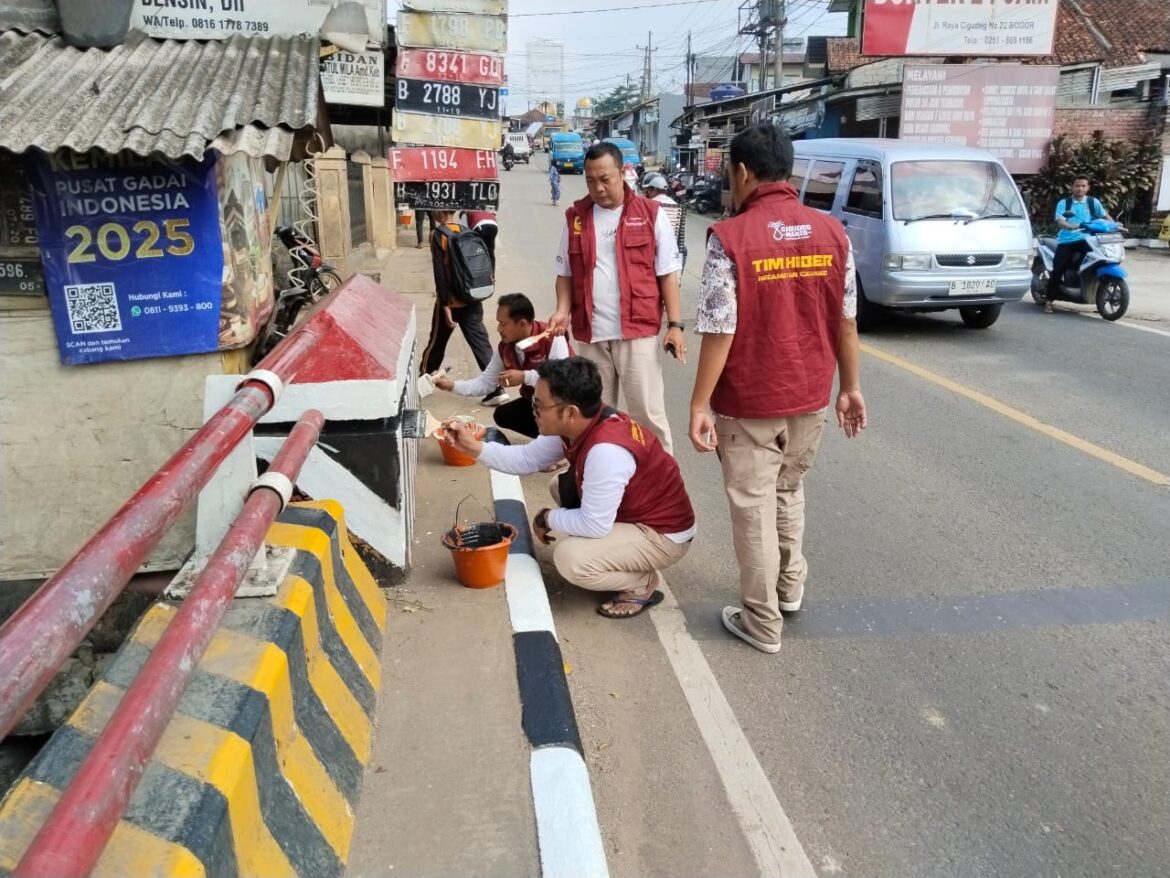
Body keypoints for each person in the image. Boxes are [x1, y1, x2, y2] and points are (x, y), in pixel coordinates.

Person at [688, 123, 868, 655]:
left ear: (743, 172)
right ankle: (789, 590)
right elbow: (847, 321)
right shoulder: (833, 233)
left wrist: (700, 403)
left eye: (729, 173)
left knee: (753, 506)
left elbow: (720, 328)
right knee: (788, 491)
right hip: (811, 396)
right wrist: (850, 388)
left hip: (750, 401)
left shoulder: (730, 238)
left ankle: (762, 621)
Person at [443, 357, 695, 618]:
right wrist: (473, 447)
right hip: (638, 516)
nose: (534, 411)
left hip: (663, 536)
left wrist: (547, 517)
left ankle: (641, 584)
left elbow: (595, 525)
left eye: (539, 405)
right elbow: (527, 459)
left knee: (570, 559)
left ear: (570, 412)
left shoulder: (606, 451)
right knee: (560, 485)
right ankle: (616, 553)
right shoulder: (582, 423)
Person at [550, 141, 685, 454]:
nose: (598, 188)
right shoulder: (576, 217)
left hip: (637, 332)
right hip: (590, 335)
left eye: (605, 179)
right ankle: (597, 482)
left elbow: (667, 273)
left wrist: (676, 324)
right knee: (593, 416)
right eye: (590, 180)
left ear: (623, 173)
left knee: (647, 415)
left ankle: (662, 485)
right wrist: (561, 310)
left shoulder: (650, 214)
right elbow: (565, 273)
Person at [433, 293, 571, 438]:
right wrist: (451, 386)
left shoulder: (552, 337)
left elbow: (560, 380)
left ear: (522, 324)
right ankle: (549, 439)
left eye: (503, 324)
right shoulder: (506, 347)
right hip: (538, 402)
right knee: (503, 415)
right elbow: (485, 383)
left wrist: (524, 377)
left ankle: (561, 438)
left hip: (565, 403)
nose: (498, 329)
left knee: (555, 399)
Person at [419, 210, 506, 406]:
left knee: (436, 342)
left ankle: (422, 380)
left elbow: (440, 273)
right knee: (480, 342)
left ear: (438, 212)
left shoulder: (438, 234)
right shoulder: (466, 230)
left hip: (451, 301)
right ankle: (496, 388)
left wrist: (444, 305)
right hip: (472, 297)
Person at [1045, 174, 1112, 314]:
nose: (1080, 188)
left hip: (1088, 240)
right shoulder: (1065, 203)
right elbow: (1060, 220)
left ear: (1088, 188)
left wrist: (1114, 224)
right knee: (1058, 269)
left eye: (1083, 186)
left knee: (1101, 261)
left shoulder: (1093, 203)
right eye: (1077, 185)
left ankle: (1096, 294)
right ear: (1072, 187)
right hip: (1067, 240)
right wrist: (1068, 226)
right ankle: (1049, 301)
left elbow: (1105, 216)